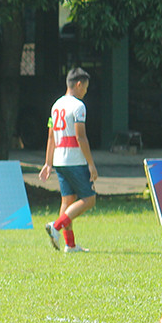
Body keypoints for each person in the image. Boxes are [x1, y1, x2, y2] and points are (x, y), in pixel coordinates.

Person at [40, 67, 98, 253]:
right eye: (85, 88)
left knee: (67, 201)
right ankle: (56, 226)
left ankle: (70, 245)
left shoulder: (56, 105)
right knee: (89, 199)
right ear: (79, 84)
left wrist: (48, 163)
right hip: (74, 160)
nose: (85, 92)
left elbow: (51, 136)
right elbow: (81, 137)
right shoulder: (78, 106)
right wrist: (91, 164)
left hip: (59, 160)